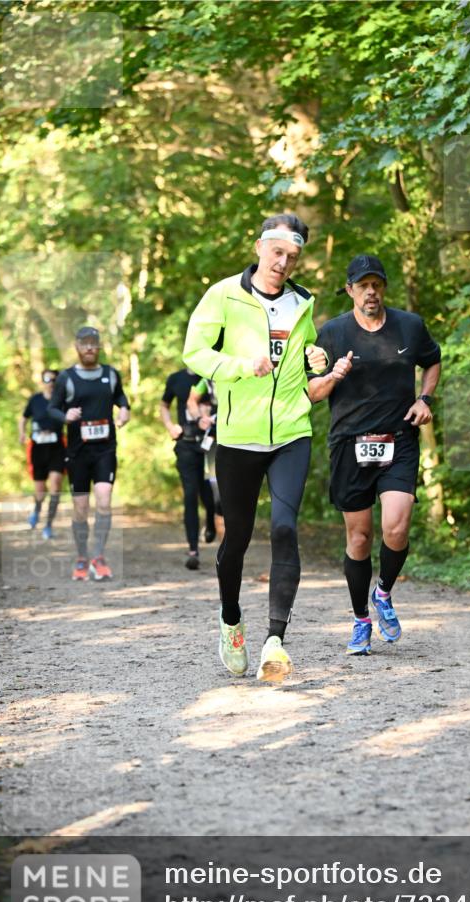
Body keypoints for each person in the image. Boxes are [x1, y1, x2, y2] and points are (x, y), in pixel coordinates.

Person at [183, 212, 327, 681]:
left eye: (292, 256)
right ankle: (230, 620)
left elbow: (305, 360)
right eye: (277, 252)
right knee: (238, 536)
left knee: (284, 528)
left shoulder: (302, 303)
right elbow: (195, 353)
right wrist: (243, 365)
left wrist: (315, 358)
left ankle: (275, 640)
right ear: (260, 246)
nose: (283, 263)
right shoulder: (223, 294)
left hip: (291, 432)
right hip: (240, 435)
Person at [309, 254, 441, 654]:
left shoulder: (409, 326)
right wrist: (334, 375)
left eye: (376, 284)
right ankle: (360, 620)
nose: (371, 291)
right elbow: (311, 393)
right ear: (349, 290)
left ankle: (383, 593)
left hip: (398, 438)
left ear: (383, 288)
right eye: (362, 285)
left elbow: (433, 361)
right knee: (360, 537)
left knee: (397, 529)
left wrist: (424, 398)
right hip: (350, 444)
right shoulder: (330, 335)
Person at [48, 327, 130, 582]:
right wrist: (65, 416)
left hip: (105, 449)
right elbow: (52, 408)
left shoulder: (110, 374)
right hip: (77, 453)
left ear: (99, 346)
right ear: (77, 346)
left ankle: (99, 556)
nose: (90, 348)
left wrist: (125, 410)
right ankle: (82, 557)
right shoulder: (66, 378)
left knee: (104, 498)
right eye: (85, 344)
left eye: (94, 343)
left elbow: (121, 398)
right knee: (81, 507)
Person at [159, 368, 218, 570]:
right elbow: (164, 405)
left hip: (212, 443)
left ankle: (211, 520)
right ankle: (193, 550)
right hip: (186, 444)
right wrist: (170, 426)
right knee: (190, 494)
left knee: (212, 495)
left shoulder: (214, 375)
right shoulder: (176, 379)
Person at [19, 369, 65, 540]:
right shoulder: (35, 400)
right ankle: (37, 510)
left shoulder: (63, 400)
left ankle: (48, 524)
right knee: (40, 489)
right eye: (48, 379)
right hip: (38, 447)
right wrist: (22, 433)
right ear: (42, 381)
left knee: (56, 484)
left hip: (57, 447)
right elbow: (24, 418)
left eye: (55, 379)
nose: (51, 382)